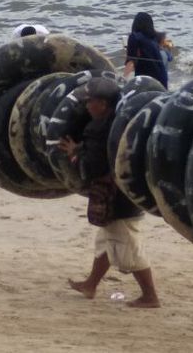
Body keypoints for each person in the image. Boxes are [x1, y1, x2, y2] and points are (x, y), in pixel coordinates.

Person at [58, 77, 160, 309]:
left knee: (128, 247)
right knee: (105, 242)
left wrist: (75, 153)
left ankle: (150, 296)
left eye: (90, 102)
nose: (86, 106)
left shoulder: (97, 129)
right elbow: (106, 152)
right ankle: (90, 284)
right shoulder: (118, 123)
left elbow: (93, 166)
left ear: (103, 104)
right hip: (129, 191)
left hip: (116, 199)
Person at [123, 12, 168, 89]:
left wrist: (122, 79)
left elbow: (131, 62)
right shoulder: (154, 38)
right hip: (163, 82)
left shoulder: (134, 37)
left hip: (147, 83)